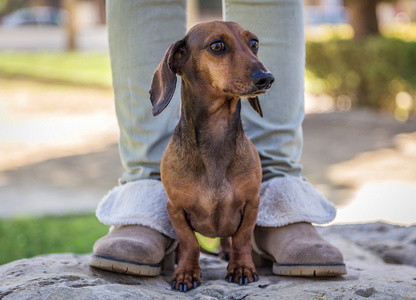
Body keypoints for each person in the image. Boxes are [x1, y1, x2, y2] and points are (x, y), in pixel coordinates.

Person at [90, 0, 346, 277]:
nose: (260, 70)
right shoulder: (181, 60)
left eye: (253, 45)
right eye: (218, 48)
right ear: (179, 60)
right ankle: (145, 191)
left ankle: (277, 192)